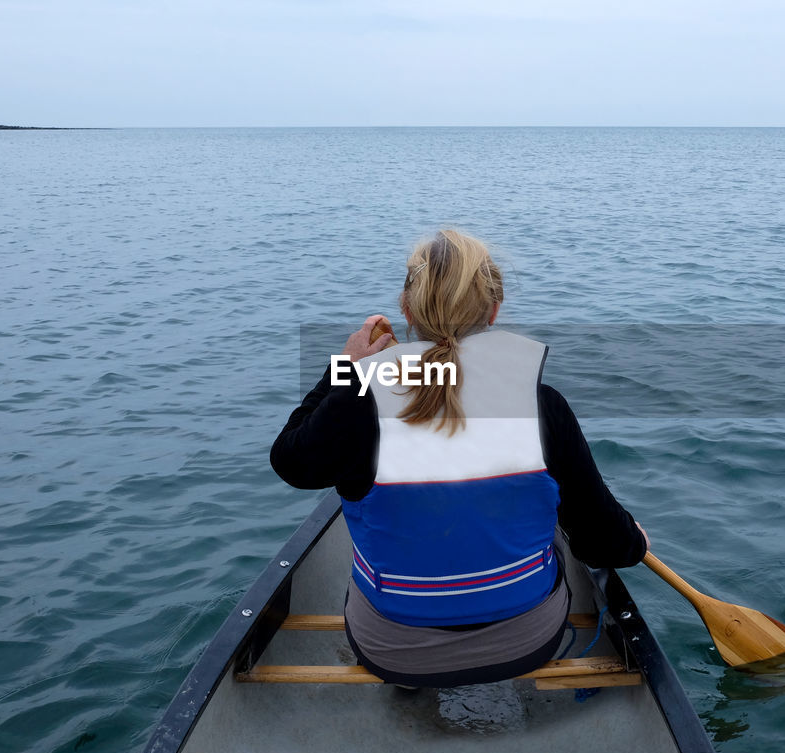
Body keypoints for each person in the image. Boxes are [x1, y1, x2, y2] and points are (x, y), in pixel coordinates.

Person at [270, 229, 648, 687]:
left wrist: (345, 368)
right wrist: (633, 541)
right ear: (494, 308)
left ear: (407, 310)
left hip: (393, 650)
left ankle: (411, 686)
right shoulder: (543, 404)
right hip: (527, 643)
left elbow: (290, 463)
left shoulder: (359, 402)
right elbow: (601, 543)